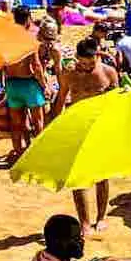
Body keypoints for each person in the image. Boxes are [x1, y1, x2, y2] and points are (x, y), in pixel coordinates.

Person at [53, 38, 119, 232]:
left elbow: (117, 103)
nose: (87, 67)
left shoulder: (108, 73)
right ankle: (84, 222)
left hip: (101, 128)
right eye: (83, 63)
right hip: (77, 127)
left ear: (97, 56)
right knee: (77, 176)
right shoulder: (70, 74)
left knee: (101, 175)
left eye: (91, 63)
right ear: (77, 58)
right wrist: (55, 125)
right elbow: (61, 98)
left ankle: (101, 217)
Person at [3, 18, 49, 161]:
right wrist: (44, 85)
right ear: (28, 20)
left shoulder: (5, 42)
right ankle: (40, 154)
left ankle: (18, 153)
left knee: (16, 124)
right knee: (38, 122)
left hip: (12, 83)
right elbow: (36, 66)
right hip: (28, 84)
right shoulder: (28, 41)